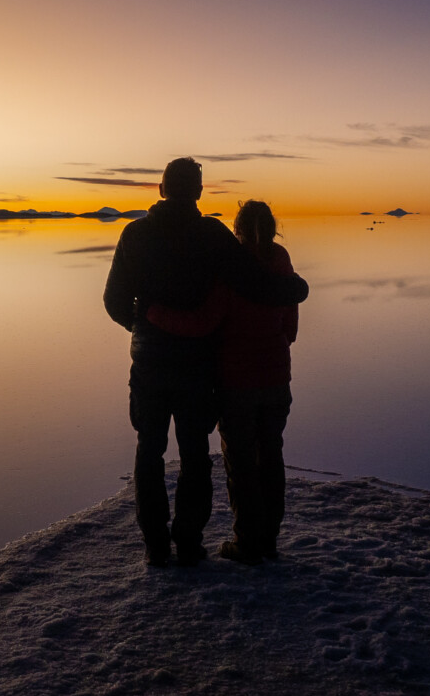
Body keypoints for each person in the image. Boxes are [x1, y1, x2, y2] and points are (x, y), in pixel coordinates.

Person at [103, 160, 308, 567]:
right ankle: (189, 542)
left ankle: (157, 547)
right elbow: (255, 282)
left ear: (161, 189)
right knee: (195, 452)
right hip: (197, 365)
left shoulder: (135, 234)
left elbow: (113, 302)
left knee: (149, 452)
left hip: (151, 363)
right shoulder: (213, 235)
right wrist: (296, 288)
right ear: (198, 192)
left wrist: (145, 327)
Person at [145, 200, 296, 565]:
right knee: (271, 458)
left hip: (237, 385)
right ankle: (269, 541)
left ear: (237, 230)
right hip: (277, 380)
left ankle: (247, 544)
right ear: (273, 227)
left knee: (242, 464)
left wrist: (153, 313)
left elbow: (202, 323)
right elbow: (290, 330)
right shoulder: (282, 264)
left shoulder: (234, 270)